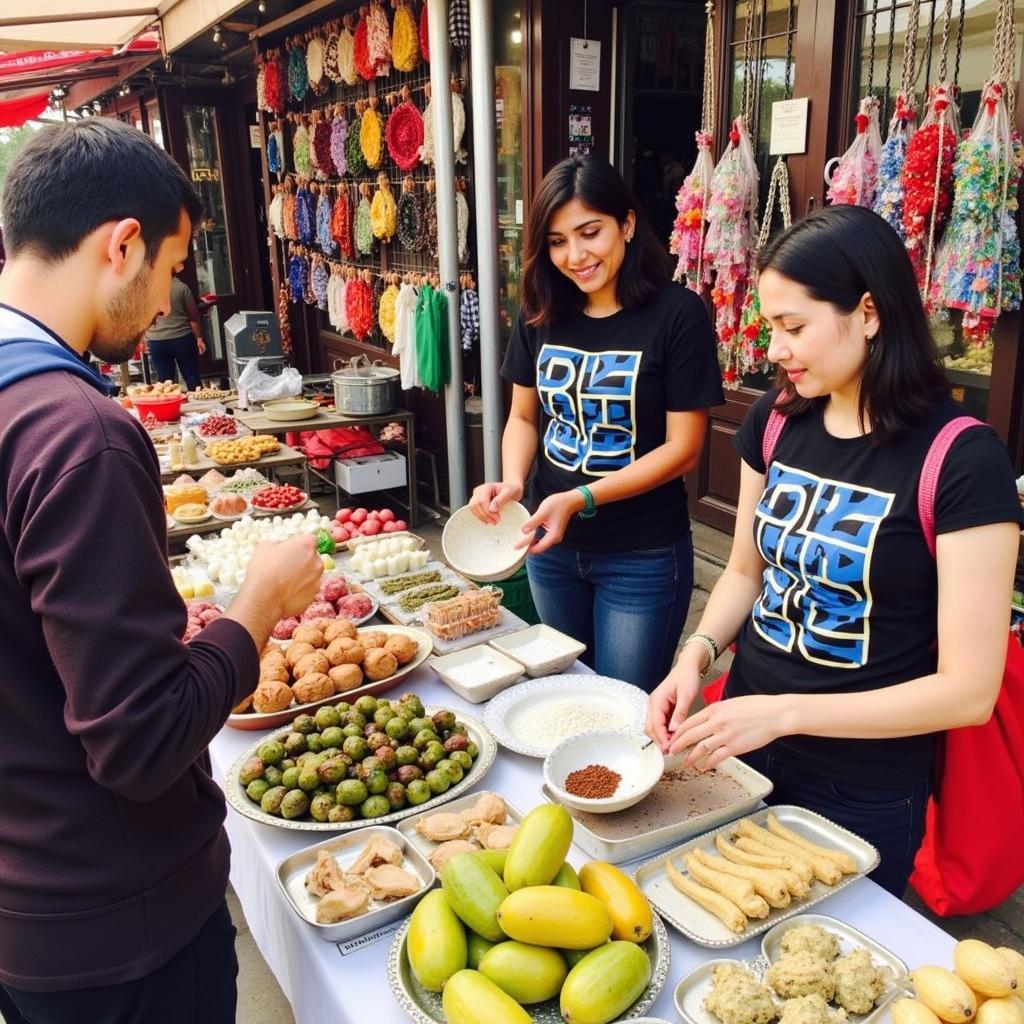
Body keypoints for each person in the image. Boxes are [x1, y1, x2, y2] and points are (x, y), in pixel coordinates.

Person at [0, 119, 323, 1022]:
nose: (170, 300)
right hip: (117, 927)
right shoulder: (77, 433)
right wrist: (254, 610)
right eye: (175, 268)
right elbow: (140, 745)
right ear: (122, 243)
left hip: (32, 904)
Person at [646, 205, 1021, 896]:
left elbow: (967, 693)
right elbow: (743, 571)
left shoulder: (963, 460)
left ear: (870, 312)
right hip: (741, 747)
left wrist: (785, 712)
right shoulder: (777, 420)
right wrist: (693, 657)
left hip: (863, 785)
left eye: (794, 327)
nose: (776, 350)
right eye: (771, 328)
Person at [471, 155, 724, 691]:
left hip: (642, 556)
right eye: (558, 241)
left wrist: (581, 499)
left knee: (621, 708)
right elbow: (522, 416)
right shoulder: (542, 311)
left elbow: (684, 448)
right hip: (550, 549)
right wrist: (514, 481)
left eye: (591, 233)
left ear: (627, 224)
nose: (576, 256)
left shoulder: (678, 314)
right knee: (565, 693)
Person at [145, 271, 206, 390]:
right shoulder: (181, 288)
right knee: (191, 376)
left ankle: (167, 406)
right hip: (182, 339)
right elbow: (193, 317)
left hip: (157, 341)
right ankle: (199, 403)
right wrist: (199, 338)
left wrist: (144, 339)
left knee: (164, 381)